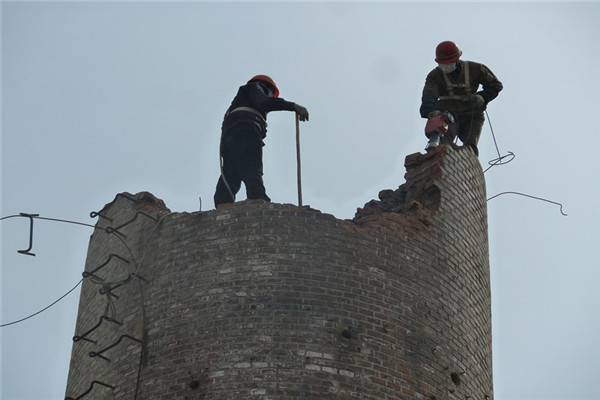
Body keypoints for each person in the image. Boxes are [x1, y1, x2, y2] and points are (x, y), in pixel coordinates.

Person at [214, 75, 309, 207]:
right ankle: (258, 199)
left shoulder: (239, 102)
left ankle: (222, 204)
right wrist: (293, 106)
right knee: (252, 164)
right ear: (267, 87)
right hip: (246, 129)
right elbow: (263, 102)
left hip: (231, 134)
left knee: (231, 171)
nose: (271, 96)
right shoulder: (255, 87)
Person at [420, 41, 503, 156]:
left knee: (470, 149)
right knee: (443, 143)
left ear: (456, 60)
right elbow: (429, 95)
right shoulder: (434, 76)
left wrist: (482, 97)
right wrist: (431, 111)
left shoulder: (475, 69)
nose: (445, 68)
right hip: (448, 114)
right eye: (442, 65)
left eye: (448, 64)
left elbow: (495, 85)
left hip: (472, 113)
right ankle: (442, 161)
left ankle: (467, 167)